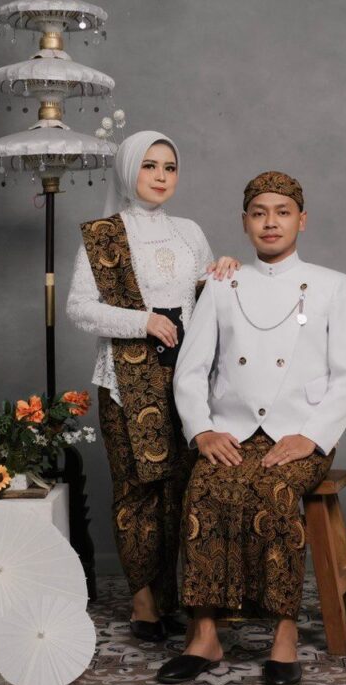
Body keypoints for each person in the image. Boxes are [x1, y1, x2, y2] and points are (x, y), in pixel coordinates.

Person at [156, 171, 346, 685]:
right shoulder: (222, 283)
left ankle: (283, 634)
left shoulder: (332, 284)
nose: (271, 222)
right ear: (245, 222)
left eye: (282, 212)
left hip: (301, 433)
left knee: (273, 493)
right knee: (204, 489)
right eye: (259, 213)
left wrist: (313, 437)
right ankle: (205, 635)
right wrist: (202, 431)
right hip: (232, 430)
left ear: (302, 220)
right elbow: (190, 370)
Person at [66, 130, 240, 642]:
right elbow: (79, 307)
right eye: (149, 166)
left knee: (184, 487)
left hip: (187, 377)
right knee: (138, 489)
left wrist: (224, 272)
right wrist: (142, 321)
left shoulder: (189, 232)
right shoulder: (104, 235)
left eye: (170, 167)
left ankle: (179, 597)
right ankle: (144, 602)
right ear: (127, 170)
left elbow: (208, 299)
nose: (161, 176)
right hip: (126, 381)